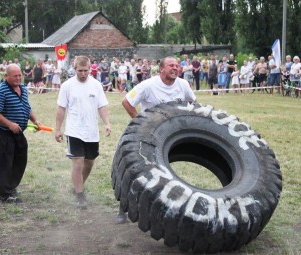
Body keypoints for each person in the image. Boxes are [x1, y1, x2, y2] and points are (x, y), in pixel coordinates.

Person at [118, 56, 196, 223]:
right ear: (161, 69)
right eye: (171, 66)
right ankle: (123, 208)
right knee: (136, 171)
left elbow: (194, 103)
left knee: (164, 174)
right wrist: (140, 122)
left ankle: (162, 208)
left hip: (172, 134)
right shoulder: (148, 85)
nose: (175, 68)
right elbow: (126, 101)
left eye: (177, 66)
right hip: (149, 134)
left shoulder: (183, 85)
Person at [55, 56, 111, 209]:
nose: (83, 74)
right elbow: (61, 108)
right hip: (74, 130)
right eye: (80, 71)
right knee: (78, 162)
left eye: (86, 71)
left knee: (89, 163)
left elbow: (102, 106)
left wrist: (107, 123)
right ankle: (80, 196)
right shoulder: (67, 86)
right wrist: (58, 129)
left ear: (90, 69)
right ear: (75, 69)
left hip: (91, 131)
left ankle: (77, 187)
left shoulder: (96, 85)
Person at [0, 64, 41, 203]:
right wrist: (10, 124)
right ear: (6, 76)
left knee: (20, 160)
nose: (18, 78)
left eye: (19, 75)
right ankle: (5, 195)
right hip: (2, 132)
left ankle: (11, 186)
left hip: (18, 132)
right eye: (14, 76)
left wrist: (35, 120)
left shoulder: (22, 88)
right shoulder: (0, 91)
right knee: (4, 163)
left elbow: (27, 107)